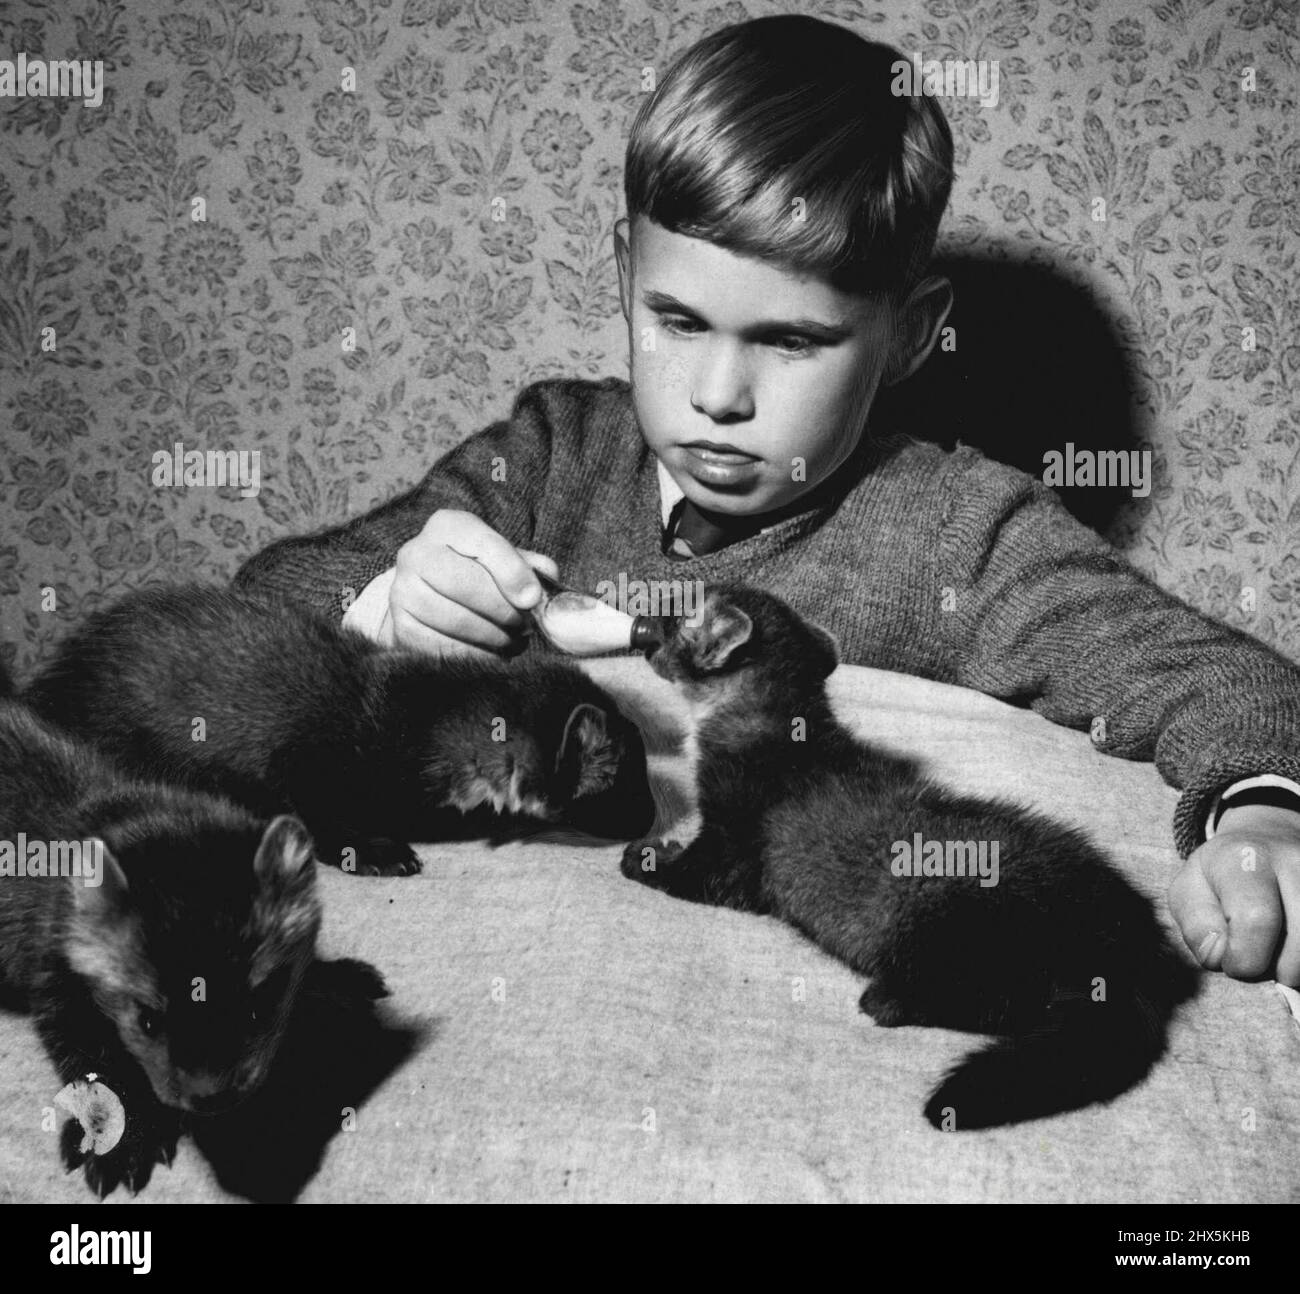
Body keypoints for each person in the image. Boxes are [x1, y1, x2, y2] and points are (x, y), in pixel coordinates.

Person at [234, 15, 1300, 991]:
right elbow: (260, 606)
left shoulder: (957, 530)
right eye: (677, 320)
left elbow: (1224, 685)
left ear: (912, 334)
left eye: (789, 340)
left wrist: (1264, 821)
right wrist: (384, 606)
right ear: (622, 274)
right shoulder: (553, 451)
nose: (714, 396)